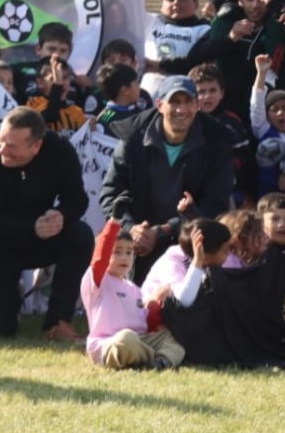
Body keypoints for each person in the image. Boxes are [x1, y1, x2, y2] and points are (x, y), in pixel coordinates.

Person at [0, 107, 90, 340]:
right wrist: (30, 227)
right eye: (1, 140)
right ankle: (8, 298)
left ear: (36, 146)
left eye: (13, 146)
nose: (3, 149)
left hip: (43, 238)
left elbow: (77, 198)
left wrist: (60, 215)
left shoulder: (60, 150)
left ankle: (58, 321)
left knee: (80, 234)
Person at [100, 76, 236, 282]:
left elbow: (215, 203)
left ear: (197, 105)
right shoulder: (133, 139)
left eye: (188, 102)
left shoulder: (217, 141)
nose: (182, 110)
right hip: (137, 241)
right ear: (159, 105)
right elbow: (111, 193)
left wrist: (165, 230)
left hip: (191, 240)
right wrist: (131, 229)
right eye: (174, 102)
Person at [81, 220, 185, 369]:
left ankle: (160, 361)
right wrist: (114, 222)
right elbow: (100, 258)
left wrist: (155, 307)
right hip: (109, 343)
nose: (124, 257)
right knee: (126, 338)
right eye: (117, 251)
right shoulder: (96, 281)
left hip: (140, 339)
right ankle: (155, 359)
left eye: (129, 252)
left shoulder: (135, 289)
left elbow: (145, 322)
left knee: (173, 338)